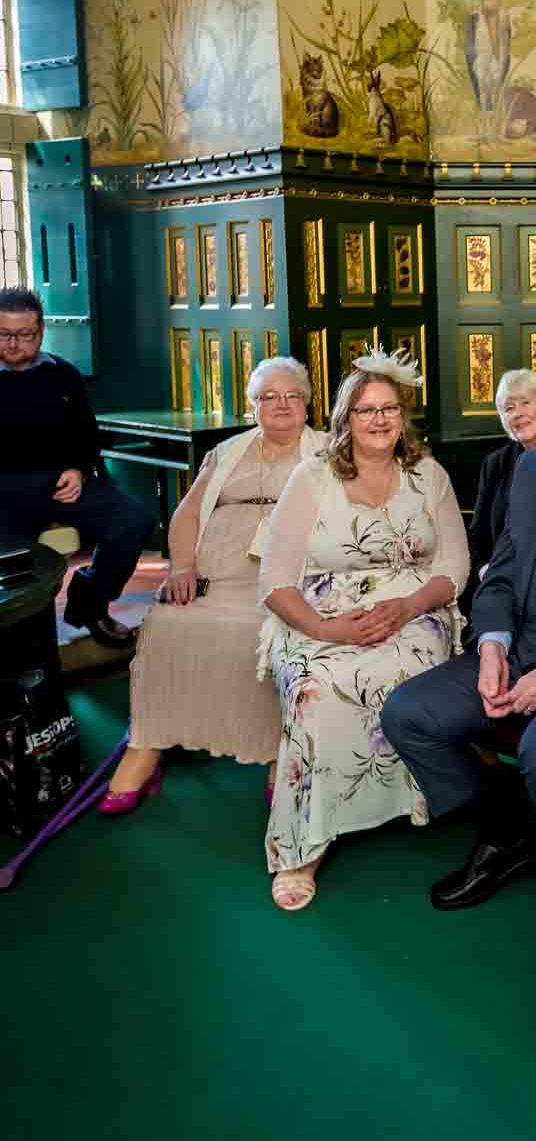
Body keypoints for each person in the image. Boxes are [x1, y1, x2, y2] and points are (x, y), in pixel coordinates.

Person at [382, 437, 536, 989]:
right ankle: (508, 828)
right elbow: (498, 573)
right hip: (515, 653)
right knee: (409, 714)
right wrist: (493, 647)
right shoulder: (534, 467)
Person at [257, 350, 468, 912]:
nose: (379, 421)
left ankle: (412, 798)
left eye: (389, 409)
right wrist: (326, 629)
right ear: (344, 420)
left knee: (412, 668)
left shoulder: (429, 476)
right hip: (322, 615)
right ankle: (303, 845)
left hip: (415, 610)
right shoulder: (312, 477)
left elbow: (455, 568)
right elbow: (275, 581)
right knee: (316, 690)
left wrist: (406, 608)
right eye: (366, 411)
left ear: (404, 416)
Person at [97, 358, 327, 815]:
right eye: (269, 397)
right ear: (251, 406)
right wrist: (181, 567)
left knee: (269, 634)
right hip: (215, 578)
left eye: (292, 396)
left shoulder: (328, 452)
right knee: (165, 623)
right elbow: (187, 513)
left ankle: (279, 752)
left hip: (287, 582)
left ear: (308, 403)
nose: (281, 405)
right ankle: (147, 745)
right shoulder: (226, 452)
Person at [0, 286, 151, 649]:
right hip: (4, 490)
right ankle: (20, 642)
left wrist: (79, 469)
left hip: (61, 484)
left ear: (41, 332)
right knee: (15, 566)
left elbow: (87, 435)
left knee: (133, 520)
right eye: (4, 334)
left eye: (24, 334)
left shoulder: (63, 374)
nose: (14, 343)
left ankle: (90, 604)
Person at [461, 367, 536, 617]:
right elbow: (478, 533)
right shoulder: (496, 464)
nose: (518, 414)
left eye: (525, 402)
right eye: (509, 408)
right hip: (507, 584)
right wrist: (484, 570)